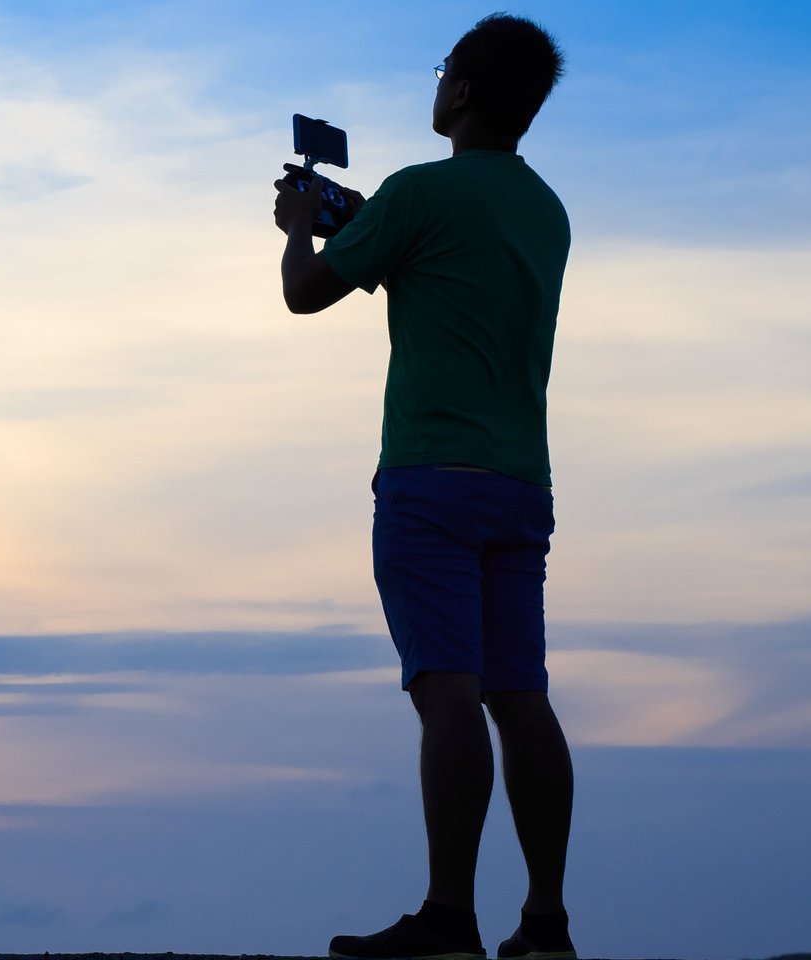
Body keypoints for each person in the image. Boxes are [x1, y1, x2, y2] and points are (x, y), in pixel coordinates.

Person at [272, 13, 577, 960]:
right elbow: (446, 271)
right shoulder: (545, 209)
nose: (438, 82)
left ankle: (449, 918)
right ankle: (546, 922)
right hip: (521, 483)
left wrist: (297, 231)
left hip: (430, 481)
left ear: (463, 94)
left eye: (446, 70)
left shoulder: (418, 193)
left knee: (446, 693)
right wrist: (376, 227)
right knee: (519, 697)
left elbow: (306, 293)